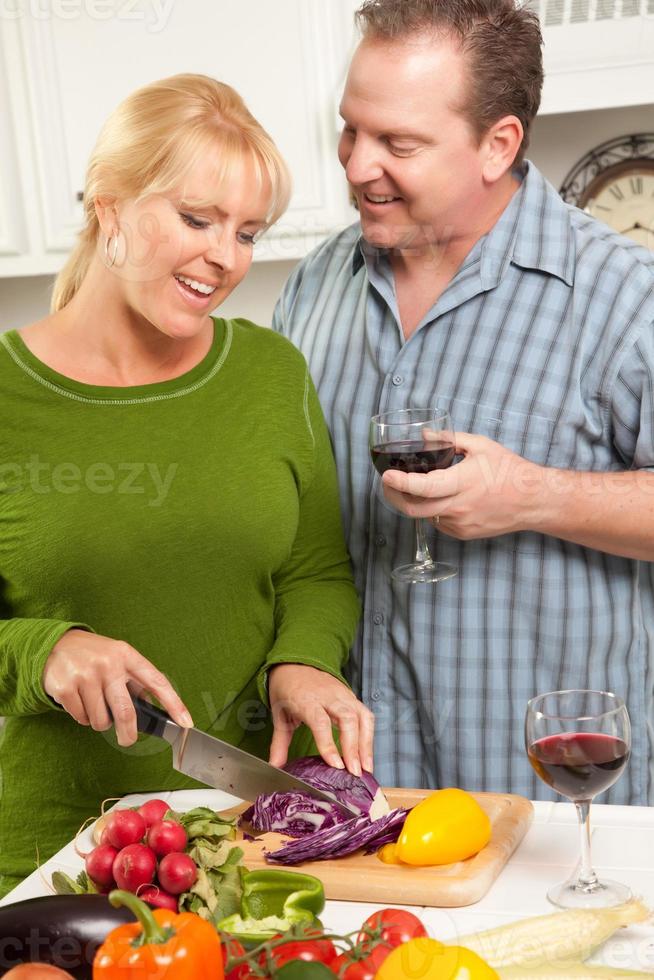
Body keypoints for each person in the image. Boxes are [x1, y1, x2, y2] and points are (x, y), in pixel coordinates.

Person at [0, 73, 374, 898]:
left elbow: (314, 571)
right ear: (110, 210)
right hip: (54, 859)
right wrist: (45, 649)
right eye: (197, 219)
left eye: (247, 231)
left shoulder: (270, 374)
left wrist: (305, 662)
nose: (225, 257)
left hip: (244, 848)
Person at [274, 0, 654, 804]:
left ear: (497, 145)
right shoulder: (313, 287)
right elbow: (298, 535)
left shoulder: (623, 298)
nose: (354, 165)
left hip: (552, 799)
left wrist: (533, 494)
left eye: (397, 143)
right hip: (358, 804)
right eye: (351, 129)